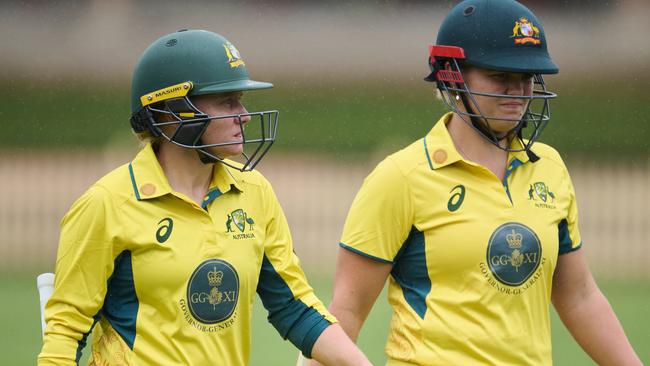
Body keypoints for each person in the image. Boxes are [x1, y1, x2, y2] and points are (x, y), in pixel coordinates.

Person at [309, 1, 643, 365]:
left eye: (527, 78)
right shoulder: (401, 177)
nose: (518, 92)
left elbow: (580, 297)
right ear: (452, 75)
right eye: (501, 76)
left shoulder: (549, 167)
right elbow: (346, 311)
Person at [38, 29, 371, 366]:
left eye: (240, 99)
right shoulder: (107, 203)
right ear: (172, 110)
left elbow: (295, 309)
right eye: (227, 101)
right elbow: (66, 332)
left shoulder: (254, 192)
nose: (242, 115)